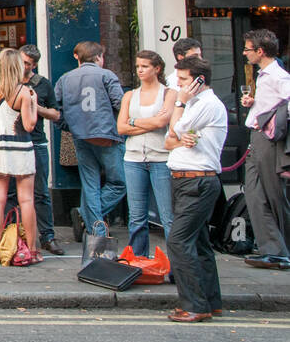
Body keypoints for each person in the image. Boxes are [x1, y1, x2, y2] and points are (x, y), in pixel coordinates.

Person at [163, 56, 227, 321]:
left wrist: (179, 102)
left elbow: (175, 127)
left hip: (196, 181)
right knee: (199, 243)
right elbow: (170, 140)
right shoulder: (196, 103)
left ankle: (194, 306)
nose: (180, 86)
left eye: (184, 80)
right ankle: (211, 302)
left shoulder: (205, 104)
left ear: (200, 80)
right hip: (187, 180)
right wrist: (178, 130)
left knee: (178, 240)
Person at [54, 41, 126, 237]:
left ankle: (92, 222)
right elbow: (120, 104)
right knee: (119, 183)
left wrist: (68, 127)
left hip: (80, 137)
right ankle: (89, 218)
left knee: (90, 184)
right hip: (108, 137)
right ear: (98, 57)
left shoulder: (65, 79)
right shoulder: (107, 75)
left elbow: (56, 110)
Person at [0, 48, 40, 263]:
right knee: (26, 199)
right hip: (20, 148)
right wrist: (33, 103)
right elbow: (29, 125)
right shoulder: (24, 91)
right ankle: (31, 250)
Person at [117, 50, 178, 255]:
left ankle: (176, 266)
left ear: (157, 69)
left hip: (161, 157)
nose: (140, 70)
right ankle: (138, 260)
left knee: (167, 215)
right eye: (137, 66)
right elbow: (121, 128)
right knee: (136, 216)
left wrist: (134, 122)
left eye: (145, 66)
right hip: (133, 158)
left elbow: (162, 122)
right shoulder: (130, 95)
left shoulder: (169, 94)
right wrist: (148, 124)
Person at [239, 29, 290, 269]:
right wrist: (254, 104)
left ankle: (282, 249)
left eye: (248, 49)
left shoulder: (277, 76)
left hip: (268, 140)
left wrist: (272, 120)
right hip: (256, 138)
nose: (244, 53)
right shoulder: (262, 76)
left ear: (260, 51)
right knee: (254, 194)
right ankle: (272, 248)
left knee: (274, 195)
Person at [10, 44, 64, 254]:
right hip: (13, 141)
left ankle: (47, 236)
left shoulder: (42, 84)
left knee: (41, 192)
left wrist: (34, 106)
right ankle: (12, 234)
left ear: (34, 65)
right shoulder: (8, 81)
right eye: (21, 61)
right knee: (12, 192)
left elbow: (56, 114)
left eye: (28, 64)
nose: (23, 66)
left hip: (36, 141)